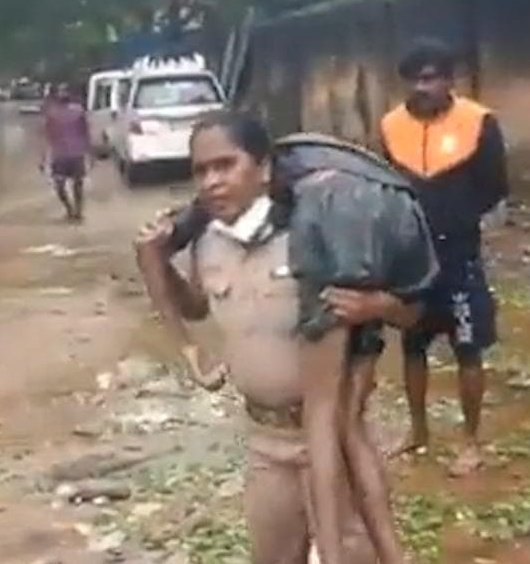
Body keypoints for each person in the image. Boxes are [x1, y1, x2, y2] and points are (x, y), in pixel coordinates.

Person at [134, 112, 423, 564]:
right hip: (264, 443)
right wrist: (157, 261)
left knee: (348, 554)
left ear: (264, 168)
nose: (211, 182)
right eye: (201, 171)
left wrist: (377, 307)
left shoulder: (321, 235)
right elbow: (195, 305)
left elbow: (413, 314)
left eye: (225, 165)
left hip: (332, 441)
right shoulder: (210, 242)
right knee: (272, 553)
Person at [379, 38, 509, 477]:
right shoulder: (390, 127)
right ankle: (418, 430)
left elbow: (495, 184)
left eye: (432, 77)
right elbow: (384, 185)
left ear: (449, 80)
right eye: (415, 79)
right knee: (412, 344)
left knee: (467, 348)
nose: (423, 86)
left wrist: (460, 215)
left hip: (459, 255)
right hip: (411, 256)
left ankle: (471, 441)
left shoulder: (478, 122)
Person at [40, 82, 89, 222]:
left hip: (75, 153)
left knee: (77, 184)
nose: (63, 94)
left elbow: (86, 133)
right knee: (60, 185)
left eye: (65, 91)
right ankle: (70, 210)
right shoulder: (51, 113)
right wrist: (43, 158)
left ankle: (77, 212)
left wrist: (90, 153)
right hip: (61, 155)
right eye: (61, 92)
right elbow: (46, 136)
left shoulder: (78, 111)